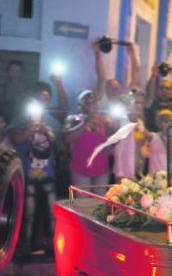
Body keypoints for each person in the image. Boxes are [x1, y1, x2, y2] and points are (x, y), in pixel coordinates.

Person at [10, 104, 58, 257]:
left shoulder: (47, 129)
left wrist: (44, 130)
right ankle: (26, 245)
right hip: (29, 177)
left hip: (47, 177)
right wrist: (30, 131)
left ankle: (51, 245)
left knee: (51, 212)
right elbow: (16, 140)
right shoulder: (22, 129)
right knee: (28, 214)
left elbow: (53, 139)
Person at [64, 90, 111, 188]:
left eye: (94, 102)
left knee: (99, 202)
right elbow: (67, 138)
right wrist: (86, 122)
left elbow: (114, 140)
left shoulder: (105, 121)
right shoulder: (73, 119)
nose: (91, 105)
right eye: (87, 102)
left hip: (101, 168)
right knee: (82, 202)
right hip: (80, 168)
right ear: (80, 106)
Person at [144, 63, 172, 132]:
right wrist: (153, 75)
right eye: (162, 88)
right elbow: (150, 93)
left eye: (167, 88)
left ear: (171, 91)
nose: (164, 90)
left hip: (168, 139)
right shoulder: (152, 103)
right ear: (157, 90)